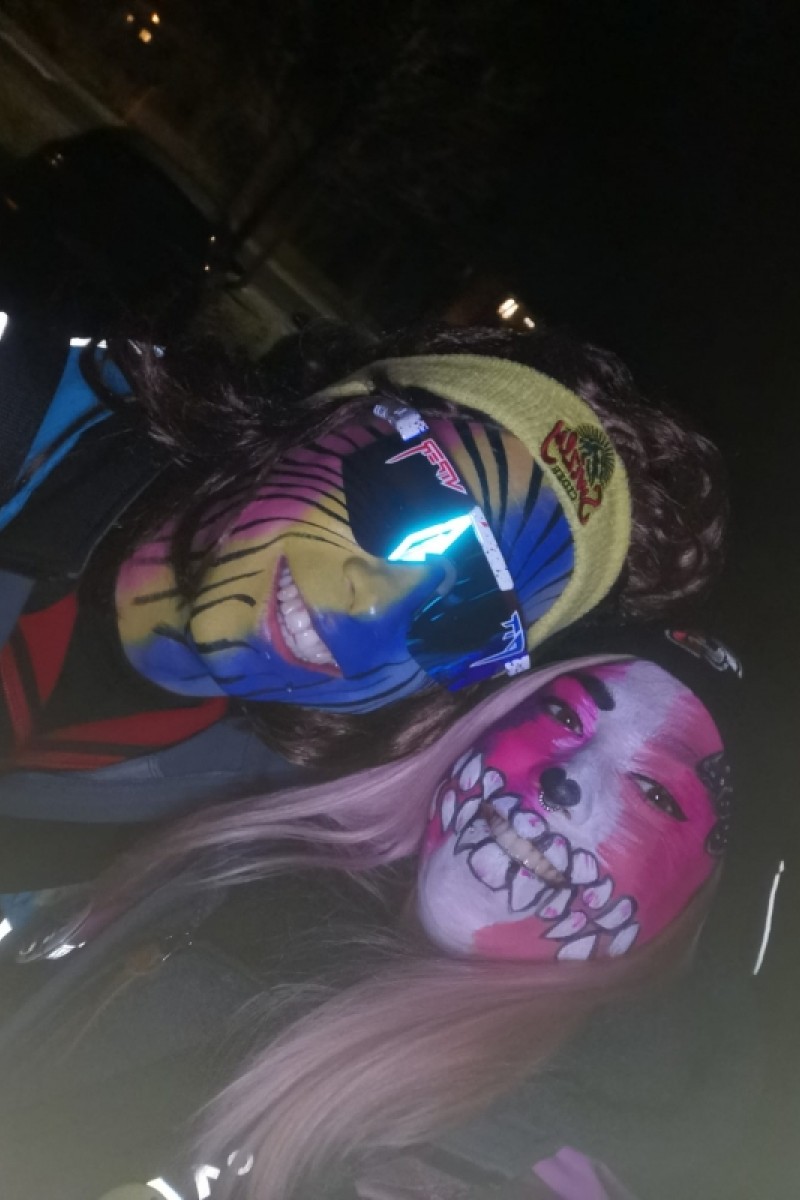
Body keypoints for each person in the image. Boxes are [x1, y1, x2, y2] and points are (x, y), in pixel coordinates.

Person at [0, 317, 727, 889]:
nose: (380, 610)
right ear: (335, 415)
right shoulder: (23, 407)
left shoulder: (231, 831)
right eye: (415, 507)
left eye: (472, 620)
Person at [53, 624, 739, 1200]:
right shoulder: (255, 856)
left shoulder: (513, 1173)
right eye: (564, 717)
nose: (566, 782)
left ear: (690, 909)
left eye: (657, 794)